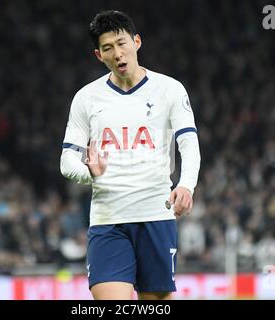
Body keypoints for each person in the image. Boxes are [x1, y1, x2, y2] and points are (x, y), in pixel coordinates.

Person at [60, 10, 200, 300]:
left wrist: (186, 185)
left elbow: (189, 144)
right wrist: (89, 172)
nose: (118, 53)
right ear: (99, 55)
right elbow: (66, 161)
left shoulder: (170, 90)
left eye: (122, 43)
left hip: (155, 217)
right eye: (108, 48)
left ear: (137, 42)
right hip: (108, 220)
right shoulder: (87, 98)